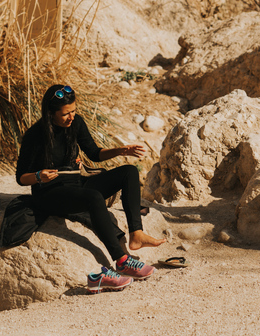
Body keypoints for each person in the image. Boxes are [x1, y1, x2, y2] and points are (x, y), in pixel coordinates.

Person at [15, 84, 166, 290]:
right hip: (49, 193)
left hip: (76, 183)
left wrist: (121, 150)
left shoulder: (75, 123)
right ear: (51, 114)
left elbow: (94, 153)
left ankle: (136, 234)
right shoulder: (35, 135)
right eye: (66, 113)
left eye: (73, 111)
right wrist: (39, 176)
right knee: (94, 197)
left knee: (129, 172)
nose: (71, 117)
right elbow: (21, 178)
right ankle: (122, 261)